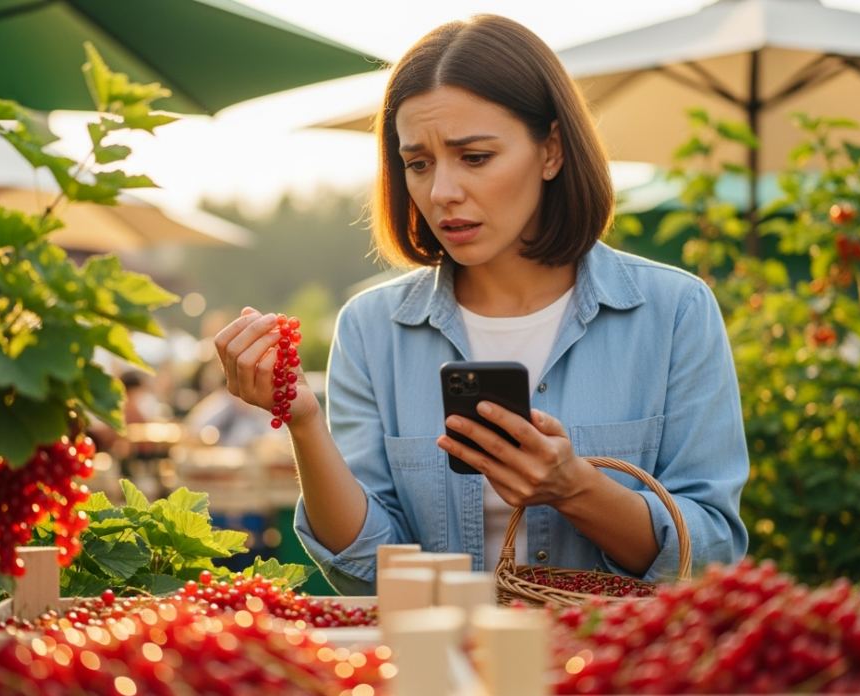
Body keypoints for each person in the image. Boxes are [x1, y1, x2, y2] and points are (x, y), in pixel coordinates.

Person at [215, 15, 748, 595]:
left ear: (551, 152)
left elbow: (711, 551)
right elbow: (365, 572)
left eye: (474, 157)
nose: (442, 191)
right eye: (418, 163)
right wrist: (304, 422)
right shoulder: (372, 329)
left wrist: (576, 489)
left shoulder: (674, 312)